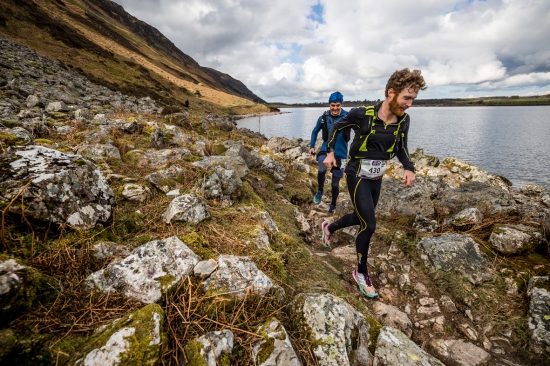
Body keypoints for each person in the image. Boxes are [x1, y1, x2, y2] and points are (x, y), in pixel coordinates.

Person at [321, 69, 427, 298]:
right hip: (356, 174)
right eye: (406, 98)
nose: (409, 104)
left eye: (413, 99)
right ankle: (360, 271)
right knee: (369, 225)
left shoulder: (403, 121)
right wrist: (329, 152)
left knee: (361, 218)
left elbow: (401, 147)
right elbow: (336, 126)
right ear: (391, 92)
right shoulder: (363, 114)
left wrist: (409, 167)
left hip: (377, 178)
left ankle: (329, 227)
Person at [308, 91, 349, 213]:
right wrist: (312, 146)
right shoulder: (323, 118)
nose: (335, 108)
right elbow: (314, 132)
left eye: (338, 105)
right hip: (325, 150)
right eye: (332, 105)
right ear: (329, 105)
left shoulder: (348, 116)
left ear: (341, 105)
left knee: (335, 184)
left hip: (341, 154)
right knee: (321, 169)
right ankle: (320, 190)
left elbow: (360, 130)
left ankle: (333, 204)